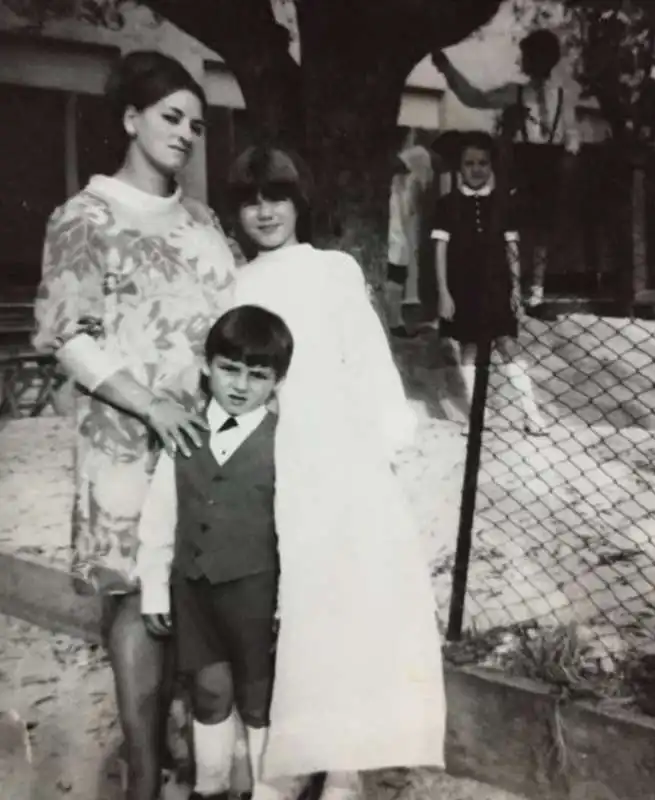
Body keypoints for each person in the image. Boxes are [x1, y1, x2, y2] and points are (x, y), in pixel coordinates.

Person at [32, 51, 238, 800]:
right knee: (133, 596)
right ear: (129, 119)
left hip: (209, 438)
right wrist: (150, 403)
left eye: (197, 124)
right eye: (170, 117)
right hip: (126, 436)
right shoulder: (86, 217)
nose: (186, 134)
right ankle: (144, 775)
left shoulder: (204, 219)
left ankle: (203, 762)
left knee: (202, 590)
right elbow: (71, 335)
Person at [228, 145, 446, 799]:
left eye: (277, 196)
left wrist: (382, 439)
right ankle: (289, 757)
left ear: (300, 202)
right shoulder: (236, 283)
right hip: (271, 452)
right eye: (250, 199)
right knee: (284, 605)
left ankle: (344, 761)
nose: (264, 211)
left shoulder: (333, 270)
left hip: (339, 452)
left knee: (344, 600)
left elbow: (366, 357)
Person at [136, 305, 293, 800]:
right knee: (209, 691)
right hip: (194, 591)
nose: (241, 385)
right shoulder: (183, 432)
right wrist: (155, 589)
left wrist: (286, 603)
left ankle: (269, 788)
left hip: (255, 590)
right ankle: (211, 785)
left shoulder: (283, 444)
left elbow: (292, 530)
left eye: (257, 375)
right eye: (229, 369)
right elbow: (160, 517)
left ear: (276, 382)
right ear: (207, 366)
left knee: (257, 697)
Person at [432, 29, 581, 307]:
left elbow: (571, 131)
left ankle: (536, 289)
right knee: (511, 223)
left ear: (542, 58)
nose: (522, 62)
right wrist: (446, 69)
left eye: (527, 56)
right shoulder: (516, 92)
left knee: (543, 228)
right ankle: (511, 286)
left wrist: (568, 158)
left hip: (551, 160)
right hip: (522, 159)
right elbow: (474, 98)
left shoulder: (563, 95)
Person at [432, 131, 547, 435]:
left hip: (496, 286)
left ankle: (531, 413)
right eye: (469, 163)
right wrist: (443, 292)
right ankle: (475, 414)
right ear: (460, 167)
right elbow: (440, 250)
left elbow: (512, 249)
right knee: (469, 348)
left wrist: (514, 289)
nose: (476, 169)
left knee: (507, 344)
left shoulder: (503, 204)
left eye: (483, 163)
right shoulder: (447, 205)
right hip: (463, 288)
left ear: (491, 166)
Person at [385, 144, 434, 337]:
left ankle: (395, 321)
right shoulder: (402, 186)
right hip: (396, 238)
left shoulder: (396, 185)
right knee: (395, 279)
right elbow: (409, 211)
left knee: (395, 278)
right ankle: (394, 322)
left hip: (396, 238)